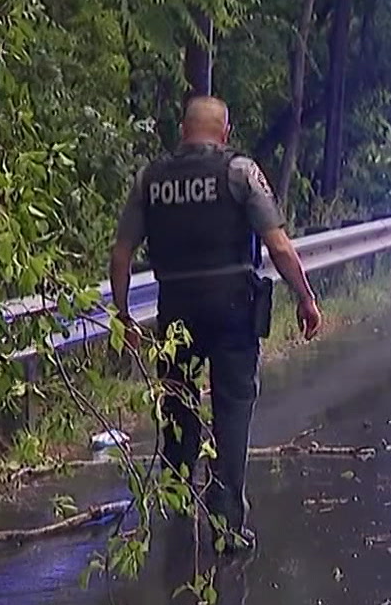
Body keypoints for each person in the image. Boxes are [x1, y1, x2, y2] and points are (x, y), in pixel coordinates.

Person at [108, 96, 322, 551]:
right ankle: (227, 530)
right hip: (232, 312)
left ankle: (179, 522)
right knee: (233, 412)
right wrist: (305, 298)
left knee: (179, 415)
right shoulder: (239, 172)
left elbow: (121, 252)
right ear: (224, 132)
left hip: (176, 313)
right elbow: (279, 247)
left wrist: (123, 315)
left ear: (183, 130)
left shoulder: (150, 179)